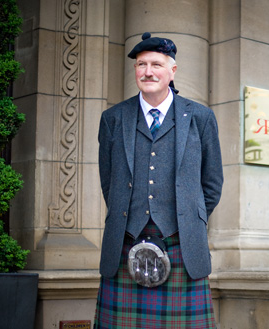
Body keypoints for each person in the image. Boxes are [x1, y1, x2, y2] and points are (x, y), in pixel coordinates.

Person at [94, 32, 223, 328]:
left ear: (172, 71)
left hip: (180, 243)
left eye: (156, 64)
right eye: (141, 65)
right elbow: (108, 180)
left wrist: (189, 218)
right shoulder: (113, 118)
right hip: (126, 241)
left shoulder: (200, 117)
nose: (148, 72)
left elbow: (212, 183)